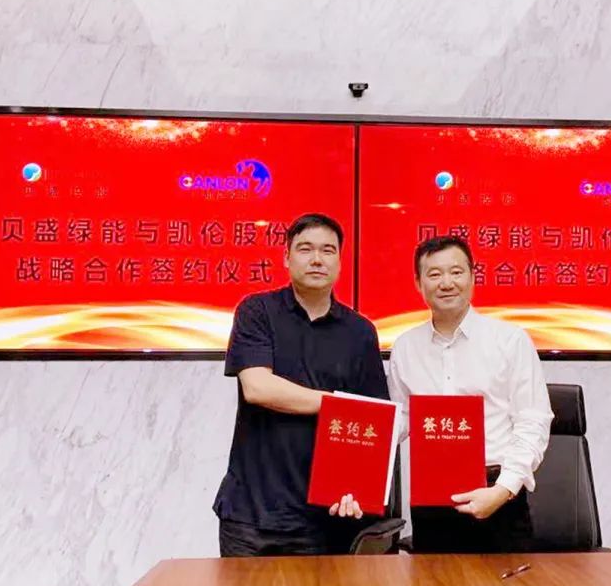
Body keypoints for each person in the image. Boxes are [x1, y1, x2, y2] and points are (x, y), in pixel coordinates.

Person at [214, 213, 389, 556]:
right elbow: (258, 388)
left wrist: (358, 489)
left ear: (340, 261)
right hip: (252, 516)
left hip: (324, 517)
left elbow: (373, 419)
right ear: (287, 257)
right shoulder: (257, 311)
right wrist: (338, 403)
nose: (317, 259)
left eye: (328, 250)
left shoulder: (360, 332)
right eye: (305, 249)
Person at [388, 235, 553, 553]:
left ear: (473, 277)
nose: (446, 283)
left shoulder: (510, 341)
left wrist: (503, 490)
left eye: (456, 272)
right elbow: (399, 420)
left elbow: (532, 421)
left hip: (498, 495)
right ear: (418, 283)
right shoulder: (406, 347)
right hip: (432, 499)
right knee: (434, 585)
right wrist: (355, 468)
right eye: (434, 274)